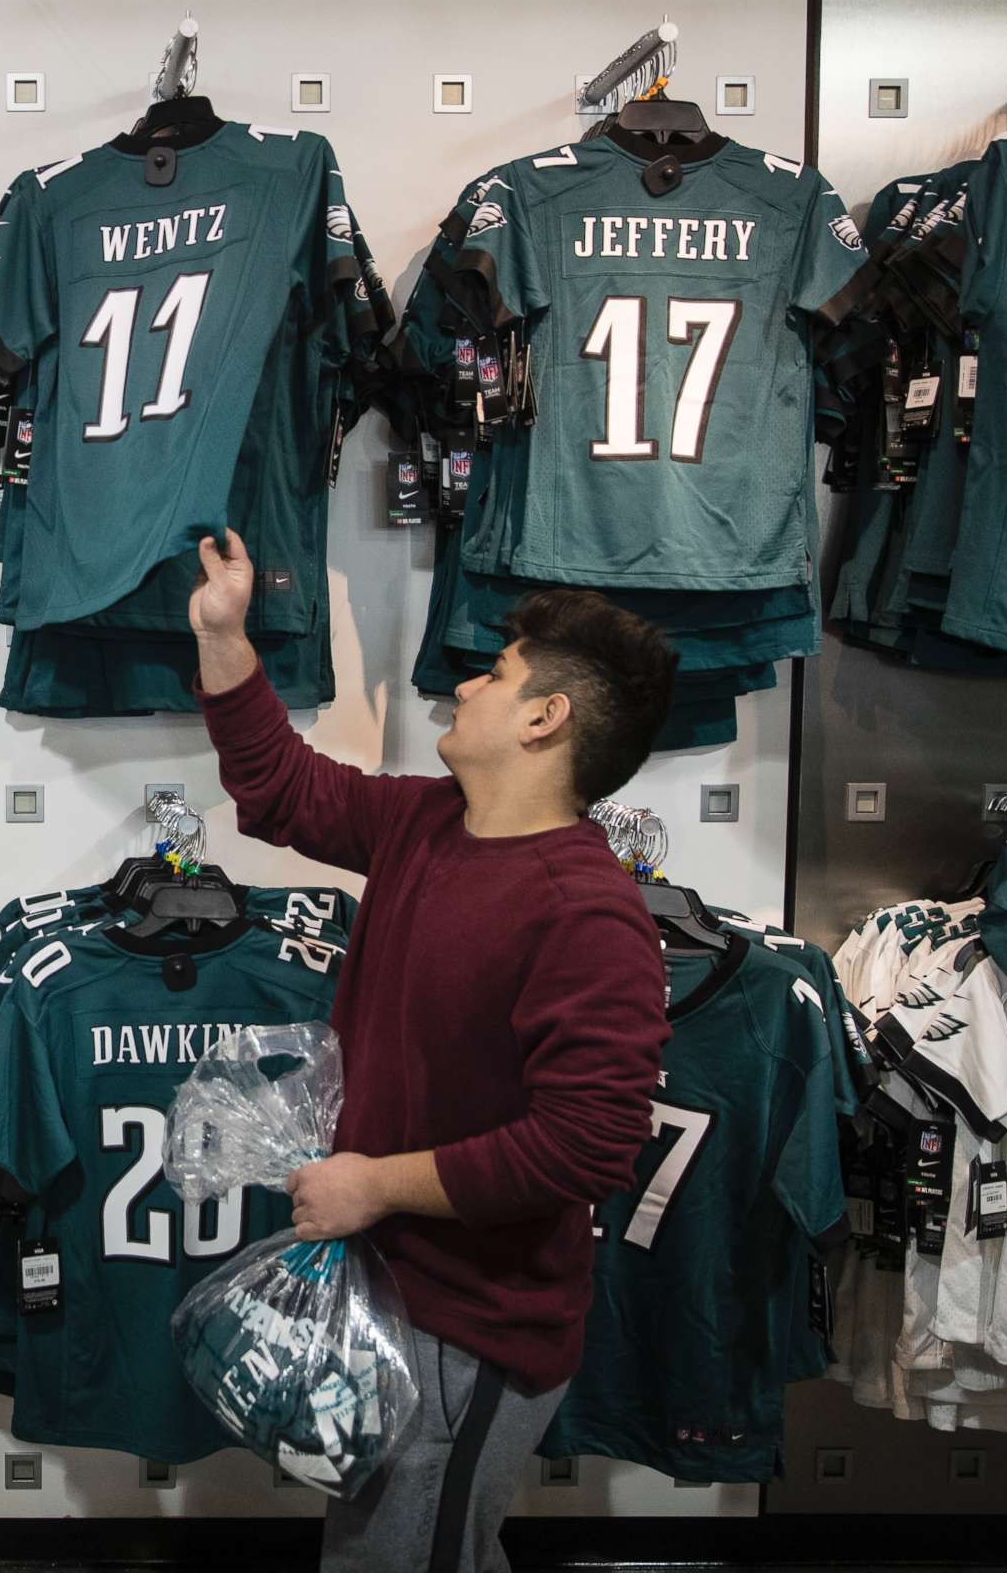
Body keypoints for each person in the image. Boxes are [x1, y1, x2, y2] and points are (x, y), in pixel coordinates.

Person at [190, 530, 678, 1572]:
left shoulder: (589, 914)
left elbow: (586, 1149)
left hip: (472, 1334)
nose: (467, 684)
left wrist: (375, 1185)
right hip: (390, 1302)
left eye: (495, 674)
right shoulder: (426, 824)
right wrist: (225, 638)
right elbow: (281, 790)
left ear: (545, 719)